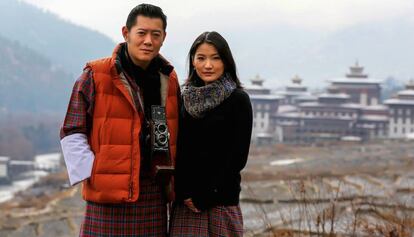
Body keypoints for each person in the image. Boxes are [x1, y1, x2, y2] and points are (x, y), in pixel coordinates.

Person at [59, 4, 180, 236]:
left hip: (153, 191)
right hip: (108, 195)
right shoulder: (96, 75)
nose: (148, 41)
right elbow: (72, 129)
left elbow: (175, 129)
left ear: (164, 38)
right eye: (141, 33)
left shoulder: (167, 78)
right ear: (126, 33)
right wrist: (94, 172)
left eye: (156, 35)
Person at [170, 31, 253, 237]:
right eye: (201, 58)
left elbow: (237, 157)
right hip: (185, 203)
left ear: (226, 61)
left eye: (215, 58)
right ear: (193, 61)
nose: (208, 65)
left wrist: (206, 194)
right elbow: (179, 150)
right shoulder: (183, 99)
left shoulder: (238, 100)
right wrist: (183, 192)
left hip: (220, 202)